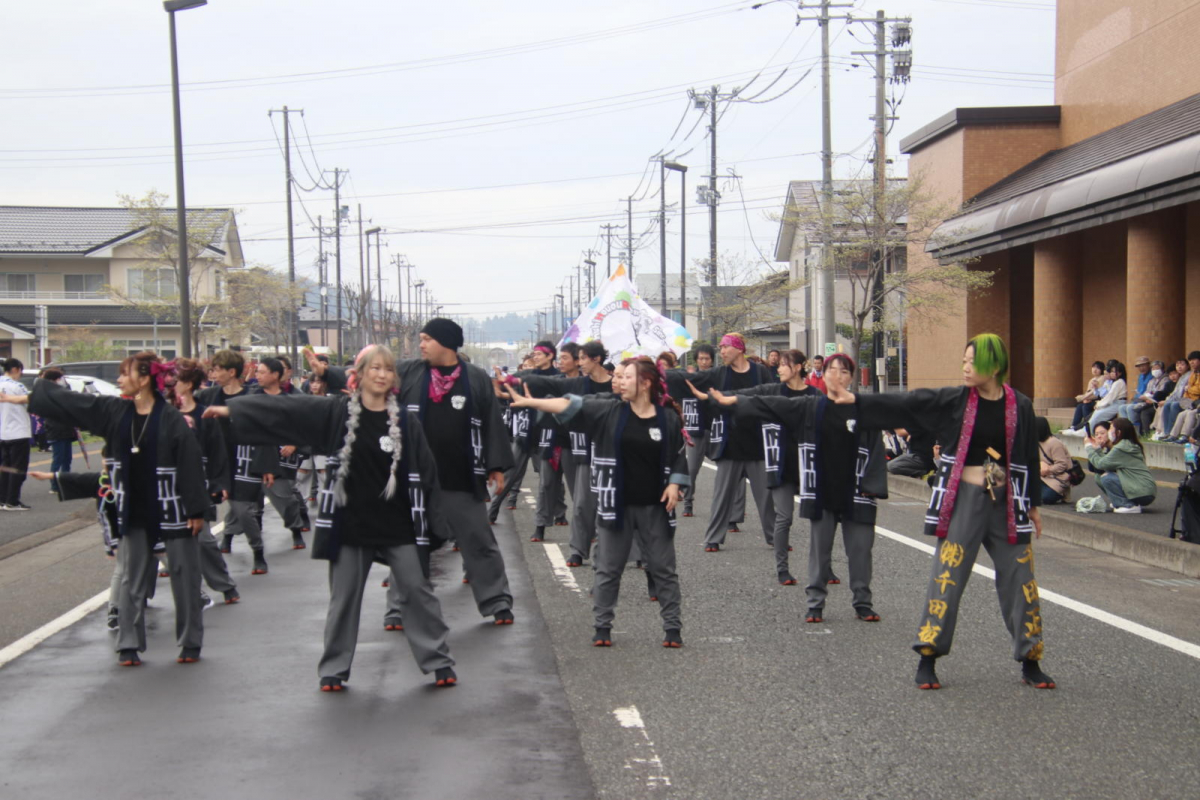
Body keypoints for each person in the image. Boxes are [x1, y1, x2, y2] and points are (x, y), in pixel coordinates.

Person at [209, 345, 457, 690]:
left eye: (388, 369)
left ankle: (438, 661)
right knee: (344, 597)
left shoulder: (405, 421)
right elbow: (286, 409)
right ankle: (334, 668)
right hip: (350, 521)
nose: (382, 375)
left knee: (417, 590)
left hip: (397, 521)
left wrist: (434, 523)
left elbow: (426, 473)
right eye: (375, 368)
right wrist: (231, 409)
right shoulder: (336, 412)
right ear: (360, 374)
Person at [828, 333, 1053, 691]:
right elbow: (910, 402)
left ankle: (1031, 659)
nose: (965, 367)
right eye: (963, 360)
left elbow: (1026, 453)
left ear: (995, 366)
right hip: (963, 500)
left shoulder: (1019, 405)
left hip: (1007, 503)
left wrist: (1034, 505)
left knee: (1021, 580)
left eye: (972, 361)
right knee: (948, 577)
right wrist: (857, 400)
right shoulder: (955, 400)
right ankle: (928, 656)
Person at [8, 352, 210, 666]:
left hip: (173, 508)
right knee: (130, 578)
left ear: (144, 379)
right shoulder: (114, 411)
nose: (119, 379)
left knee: (184, 577)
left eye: (125, 373)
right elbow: (73, 403)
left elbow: (190, 464)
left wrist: (196, 510)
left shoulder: (171, 418)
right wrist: (40, 390)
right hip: (133, 507)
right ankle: (128, 644)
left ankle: (190, 643)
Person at [314, 319, 517, 625]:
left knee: (479, 540)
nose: (421, 344)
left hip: (460, 477)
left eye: (426, 339)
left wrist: (495, 466)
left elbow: (491, 422)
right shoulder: (409, 371)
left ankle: (496, 600)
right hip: (411, 479)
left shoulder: (474, 377)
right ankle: (398, 609)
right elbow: (371, 373)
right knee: (407, 546)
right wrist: (326, 372)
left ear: (446, 342)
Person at [504, 357, 688, 648]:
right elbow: (570, 404)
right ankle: (602, 627)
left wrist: (675, 484)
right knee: (608, 568)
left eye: (626, 377)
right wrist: (532, 403)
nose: (619, 381)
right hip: (615, 505)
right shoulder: (609, 410)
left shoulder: (667, 418)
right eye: (618, 376)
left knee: (663, 569)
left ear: (645, 383)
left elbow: (678, 454)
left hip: (656, 507)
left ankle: (672, 628)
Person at [713, 353, 887, 617]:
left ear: (851, 377)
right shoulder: (812, 406)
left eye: (844, 371)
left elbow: (876, 449)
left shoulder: (864, 410)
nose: (837, 376)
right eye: (832, 370)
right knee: (819, 550)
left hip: (857, 491)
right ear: (823, 375)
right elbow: (773, 404)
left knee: (861, 550)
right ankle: (815, 603)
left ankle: (863, 603)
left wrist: (872, 484)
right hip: (823, 488)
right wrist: (735, 400)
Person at [504, 340, 613, 562]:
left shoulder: (617, 385)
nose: (580, 363)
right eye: (578, 358)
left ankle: (634, 554)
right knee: (579, 502)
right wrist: (515, 381)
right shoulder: (578, 384)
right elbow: (548, 384)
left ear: (597, 359)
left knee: (620, 502)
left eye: (583, 358)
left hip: (612, 451)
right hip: (579, 448)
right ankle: (577, 550)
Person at [671, 333, 775, 552]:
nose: (722, 351)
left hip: (757, 444)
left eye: (725, 347)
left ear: (739, 348)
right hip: (729, 443)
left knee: (766, 497)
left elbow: (771, 397)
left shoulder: (760, 372)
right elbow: (690, 379)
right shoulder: (719, 373)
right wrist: (660, 374)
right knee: (721, 496)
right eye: (720, 348)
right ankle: (713, 538)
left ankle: (775, 537)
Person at [197, 350, 280, 575]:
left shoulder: (252, 396)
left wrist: (268, 465)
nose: (213, 374)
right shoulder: (207, 396)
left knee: (243, 509)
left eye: (217, 370)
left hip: (244, 457)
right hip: (216, 459)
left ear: (231, 372)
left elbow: (265, 430)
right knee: (203, 510)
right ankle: (209, 559)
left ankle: (257, 551)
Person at [169, 358, 241, 605]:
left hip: (198, 485)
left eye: (176, 380)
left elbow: (217, 452)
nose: (171, 384)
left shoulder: (205, 415)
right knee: (158, 544)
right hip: (166, 486)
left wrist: (220, 483)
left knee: (203, 540)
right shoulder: (163, 413)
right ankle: (133, 599)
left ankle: (225, 586)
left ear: (189, 384)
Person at [253, 357, 311, 550]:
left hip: (282, 456)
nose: (257, 376)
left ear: (276, 374)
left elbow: (305, 427)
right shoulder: (252, 397)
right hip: (254, 454)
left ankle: (296, 529)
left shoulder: (293, 399)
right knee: (244, 504)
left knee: (284, 496)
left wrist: (294, 444)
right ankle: (234, 540)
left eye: (262, 372)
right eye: (257, 372)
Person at [1085, 417, 1157, 513]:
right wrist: (1098, 449)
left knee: (1107, 478)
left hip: (1142, 491)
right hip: (1144, 490)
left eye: (1111, 429)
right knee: (1099, 476)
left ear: (1118, 432)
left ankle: (1128, 505)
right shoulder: (1126, 445)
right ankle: (1122, 501)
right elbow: (1103, 464)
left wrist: (1089, 447)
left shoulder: (1121, 448)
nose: (1109, 432)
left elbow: (1100, 464)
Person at [679, 344, 715, 517]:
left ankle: (734, 512)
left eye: (707, 358)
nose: (704, 362)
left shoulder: (718, 377)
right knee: (692, 469)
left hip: (717, 428)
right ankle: (688, 502)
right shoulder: (690, 379)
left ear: (712, 360)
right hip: (696, 428)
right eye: (701, 358)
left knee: (732, 470)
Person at [38, 369, 77, 495]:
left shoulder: (60, 391)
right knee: (58, 459)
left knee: (67, 459)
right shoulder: (48, 393)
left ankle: (65, 483)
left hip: (66, 429)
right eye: (60, 378)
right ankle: (54, 485)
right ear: (54, 380)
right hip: (56, 430)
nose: (62, 381)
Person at [0, 358, 32, 510]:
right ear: (15, 369)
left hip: (3, 433)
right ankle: (12, 501)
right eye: (21, 371)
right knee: (18, 469)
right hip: (19, 432)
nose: (20, 375)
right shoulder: (17, 386)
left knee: (5, 468)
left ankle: (2, 499)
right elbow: (30, 403)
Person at [1065, 361, 1127, 435]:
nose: (1111, 374)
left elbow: (1110, 397)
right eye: (1111, 372)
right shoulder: (1115, 382)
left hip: (1117, 404)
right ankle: (1082, 429)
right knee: (1095, 412)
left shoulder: (1119, 382)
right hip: (1112, 403)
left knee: (1098, 414)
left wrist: (1099, 404)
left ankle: (1086, 431)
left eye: (1114, 372)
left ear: (1120, 373)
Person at [1120, 360, 1171, 435]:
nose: (1155, 370)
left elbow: (1160, 393)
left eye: (1157, 368)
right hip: (1146, 401)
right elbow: (1147, 391)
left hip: (1156, 402)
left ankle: (1138, 432)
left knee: (1136, 410)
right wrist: (1145, 397)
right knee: (1122, 408)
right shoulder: (1152, 380)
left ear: (1162, 369)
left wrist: (1150, 398)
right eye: (1153, 369)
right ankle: (1126, 429)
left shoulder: (1165, 379)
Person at [1036, 416, 1072, 505]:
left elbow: (1062, 465)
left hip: (1058, 476)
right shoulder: (1036, 442)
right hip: (1043, 476)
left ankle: (1063, 491)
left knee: (1047, 498)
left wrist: (1048, 470)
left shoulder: (1054, 443)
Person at [1068, 361, 1108, 432]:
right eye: (1093, 367)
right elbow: (1088, 392)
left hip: (1098, 400)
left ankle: (1087, 426)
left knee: (1085, 406)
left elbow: (1097, 394)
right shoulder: (1091, 380)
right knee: (1080, 406)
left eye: (1097, 368)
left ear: (1101, 370)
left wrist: (1085, 398)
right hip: (1090, 400)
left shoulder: (1102, 378)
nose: (1095, 369)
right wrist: (1085, 399)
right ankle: (1074, 426)